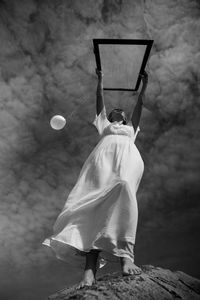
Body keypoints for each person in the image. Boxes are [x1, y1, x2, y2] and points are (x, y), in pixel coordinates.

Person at [42, 68, 148, 290]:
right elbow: (99, 99)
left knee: (124, 189)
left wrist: (144, 86)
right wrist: (100, 80)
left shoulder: (131, 129)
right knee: (93, 207)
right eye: (113, 111)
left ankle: (126, 257)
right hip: (101, 163)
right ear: (108, 117)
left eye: (121, 111)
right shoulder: (105, 126)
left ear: (127, 118)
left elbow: (139, 105)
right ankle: (89, 272)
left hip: (128, 159)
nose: (118, 111)